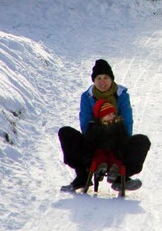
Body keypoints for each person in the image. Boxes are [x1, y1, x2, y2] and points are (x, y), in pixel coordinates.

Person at [58, 59, 151, 192]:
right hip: (94, 138)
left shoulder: (122, 96)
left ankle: (121, 178)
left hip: (118, 138)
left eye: (106, 78)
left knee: (142, 141)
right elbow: (85, 121)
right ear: (94, 81)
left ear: (111, 79)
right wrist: (92, 140)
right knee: (66, 132)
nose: (102, 82)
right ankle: (83, 175)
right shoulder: (87, 97)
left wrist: (122, 142)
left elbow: (127, 120)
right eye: (99, 78)